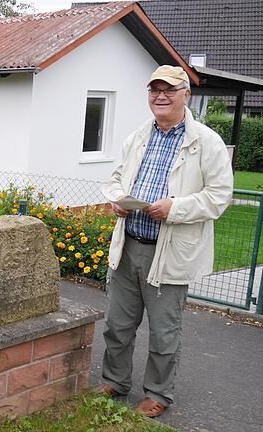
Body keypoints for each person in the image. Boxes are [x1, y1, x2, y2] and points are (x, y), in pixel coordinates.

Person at [99, 65, 233, 417]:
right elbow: (116, 177)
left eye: (169, 89)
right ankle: (115, 381)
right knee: (117, 325)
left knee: (163, 333)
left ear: (186, 94)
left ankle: (158, 393)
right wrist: (118, 199)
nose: (161, 95)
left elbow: (219, 197)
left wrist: (176, 208)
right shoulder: (138, 136)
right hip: (128, 246)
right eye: (154, 89)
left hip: (169, 253)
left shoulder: (206, 142)